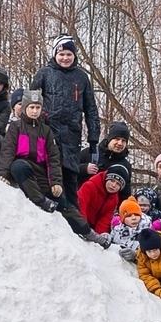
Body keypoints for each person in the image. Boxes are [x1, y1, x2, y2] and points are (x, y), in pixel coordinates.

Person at [34, 36, 101, 208]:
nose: (65, 58)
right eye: (61, 54)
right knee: (49, 171)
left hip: (72, 133)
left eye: (69, 54)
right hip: (49, 130)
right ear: (55, 54)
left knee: (70, 176)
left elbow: (91, 109)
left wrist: (93, 140)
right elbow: (31, 100)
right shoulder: (44, 73)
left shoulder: (81, 77)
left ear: (74, 56)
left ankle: (73, 218)